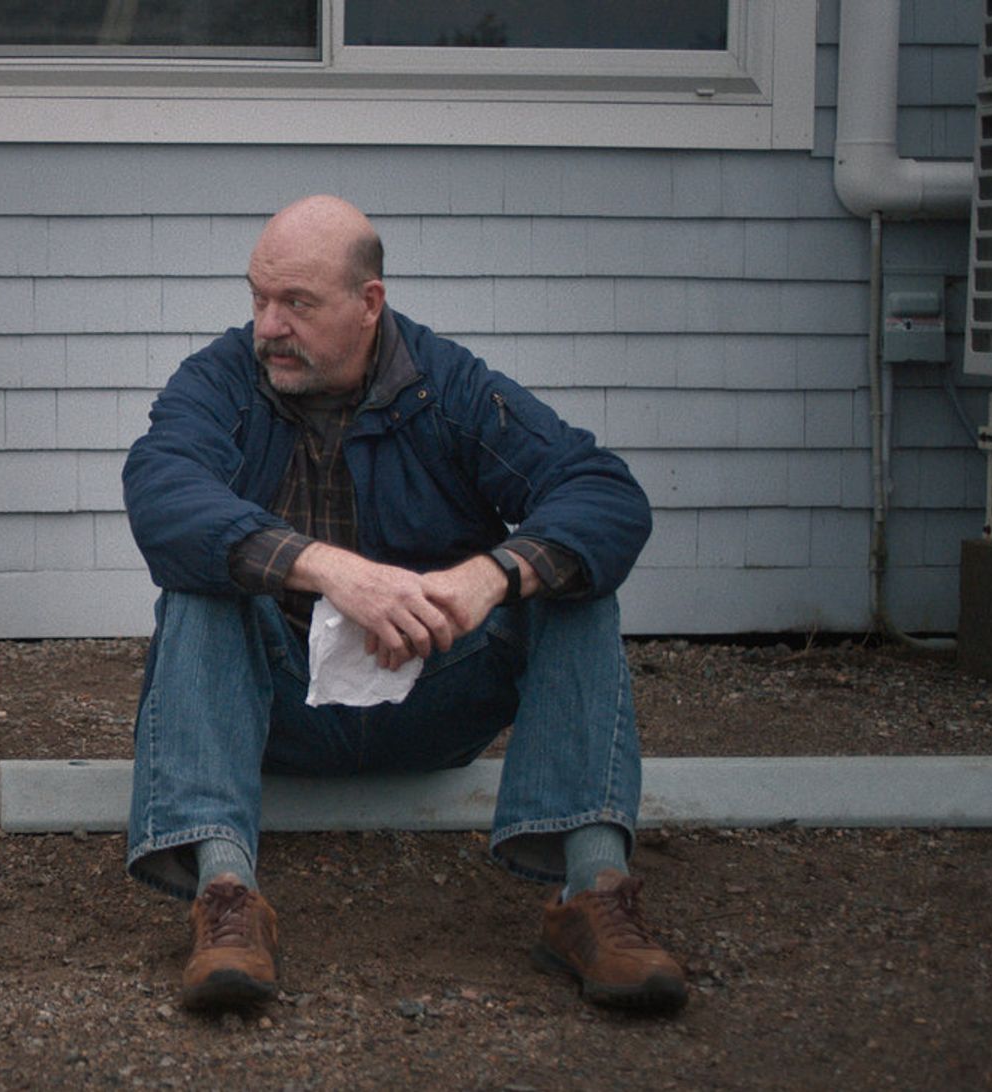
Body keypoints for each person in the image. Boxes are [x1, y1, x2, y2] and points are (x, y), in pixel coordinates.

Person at [120, 196, 684, 1013]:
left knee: (570, 577)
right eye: (259, 298)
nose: (268, 327)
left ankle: (594, 894)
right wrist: (327, 569)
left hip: (432, 698)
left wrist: (492, 576)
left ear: (369, 303)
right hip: (280, 710)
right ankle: (227, 899)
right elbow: (162, 494)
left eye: (297, 303)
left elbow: (603, 492)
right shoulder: (220, 381)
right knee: (202, 582)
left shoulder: (447, 387)